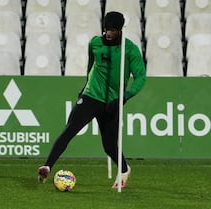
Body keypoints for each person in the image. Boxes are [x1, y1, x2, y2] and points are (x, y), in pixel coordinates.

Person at [38, 11, 146, 189]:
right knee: (69, 130)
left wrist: (125, 97)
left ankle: (125, 170)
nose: (108, 33)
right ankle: (47, 166)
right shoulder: (95, 43)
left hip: (113, 102)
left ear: (120, 30)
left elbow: (141, 77)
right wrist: (85, 86)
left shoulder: (130, 49)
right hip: (91, 96)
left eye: (112, 30)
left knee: (109, 147)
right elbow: (91, 66)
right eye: (106, 29)